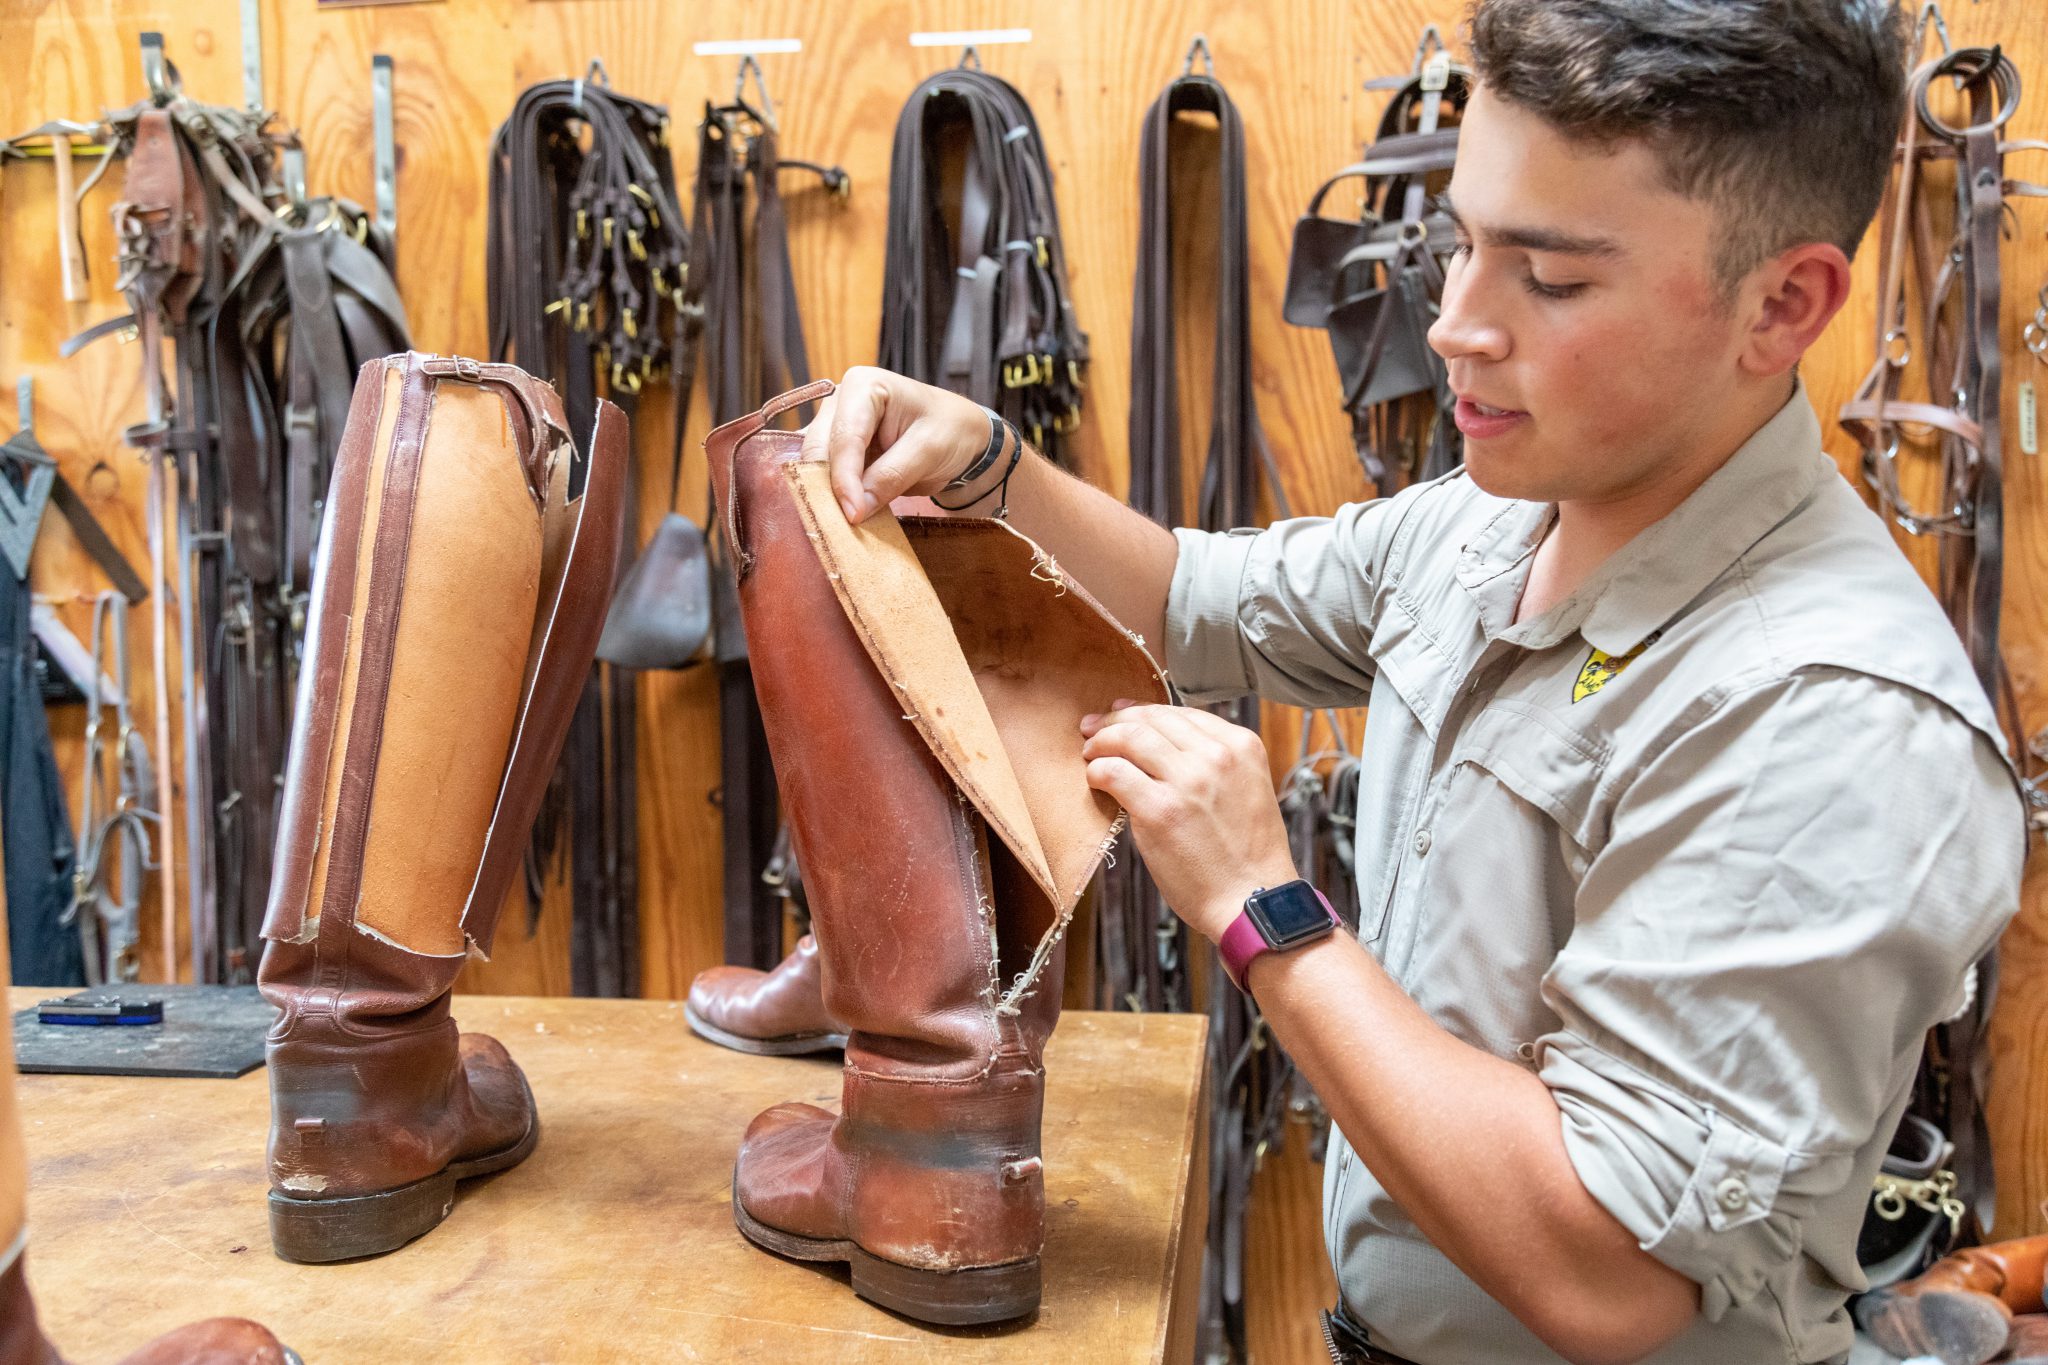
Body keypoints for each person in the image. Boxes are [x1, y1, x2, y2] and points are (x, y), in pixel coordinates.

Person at [800, 1, 2026, 1361]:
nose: (1454, 325)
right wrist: (993, 472)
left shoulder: (1829, 721)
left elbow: (1610, 1273)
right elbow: (1200, 598)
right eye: (1462, 244)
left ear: (1782, 304)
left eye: (1549, 281)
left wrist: (1264, 907)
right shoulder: (1498, 517)